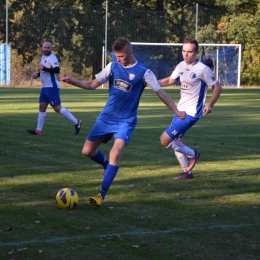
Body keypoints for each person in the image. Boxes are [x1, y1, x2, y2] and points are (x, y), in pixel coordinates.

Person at [60, 37, 186, 207]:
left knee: (116, 153)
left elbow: (161, 93)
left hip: (126, 121)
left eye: (120, 56)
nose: (118, 59)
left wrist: (176, 111)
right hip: (106, 118)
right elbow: (91, 85)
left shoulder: (144, 72)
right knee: (87, 151)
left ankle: (100, 195)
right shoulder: (112, 67)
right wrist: (71, 81)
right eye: (116, 56)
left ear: (130, 53)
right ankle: (108, 167)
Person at [158, 38, 222, 180]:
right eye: (184, 51)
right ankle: (187, 172)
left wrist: (209, 105)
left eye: (190, 52)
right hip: (179, 110)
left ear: (197, 52)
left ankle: (193, 154)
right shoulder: (181, 65)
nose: (186, 54)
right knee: (176, 142)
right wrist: (151, 82)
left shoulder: (203, 69)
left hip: (190, 113)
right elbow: (169, 80)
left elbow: (217, 87)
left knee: (165, 140)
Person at [27, 41, 82, 136]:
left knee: (57, 108)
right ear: (42, 48)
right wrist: (38, 74)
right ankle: (38, 130)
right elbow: (46, 72)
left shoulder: (52, 58)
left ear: (51, 49)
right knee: (42, 107)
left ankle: (77, 122)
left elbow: (57, 70)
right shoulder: (43, 57)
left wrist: (43, 68)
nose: (46, 49)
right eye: (45, 47)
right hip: (45, 88)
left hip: (52, 87)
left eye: (48, 48)